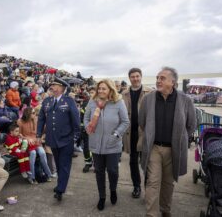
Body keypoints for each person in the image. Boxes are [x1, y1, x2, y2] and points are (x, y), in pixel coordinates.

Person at [139, 67, 196, 217]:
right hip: (154, 148)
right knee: (152, 181)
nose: (158, 81)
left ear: (173, 82)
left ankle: (165, 210)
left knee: (168, 183)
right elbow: (142, 122)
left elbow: (191, 125)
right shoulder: (148, 99)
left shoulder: (185, 100)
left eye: (162, 78)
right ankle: (151, 213)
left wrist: (180, 138)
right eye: (158, 77)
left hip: (173, 150)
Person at [84, 79, 130, 211]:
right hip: (96, 143)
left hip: (113, 145)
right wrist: (88, 128)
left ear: (110, 89)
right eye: (99, 88)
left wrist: (116, 135)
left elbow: (125, 122)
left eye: (104, 88)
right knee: (99, 171)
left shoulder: (118, 102)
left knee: (112, 170)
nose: (100, 91)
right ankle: (102, 197)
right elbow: (86, 118)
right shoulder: (92, 102)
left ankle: (113, 190)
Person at [36, 77, 81, 201]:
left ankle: (60, 189)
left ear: (62, 88)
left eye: (56, 85)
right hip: (52, 139)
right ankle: (60, 184)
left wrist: (76, 136)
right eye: (52, 85)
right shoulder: (47, 101)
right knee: (59, 164)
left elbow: (76, 119)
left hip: (66, 139)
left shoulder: (69, 101)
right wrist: (38, 135)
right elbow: (41, 119)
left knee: (64, 165)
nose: (53, 87)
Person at [122, 68, 152, 199]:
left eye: (137, 76)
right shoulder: (124, 93)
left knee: (146, 162)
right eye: (132, 77)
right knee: (133, 161)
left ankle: (149, 188)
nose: (135, 79)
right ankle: (136, 186)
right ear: (129, 78)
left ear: (141, 77)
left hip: (145, 133)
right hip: (130, 133)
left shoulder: (150, 92)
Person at [17, 107, 54, 182]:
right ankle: (31, 177)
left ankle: (48, 174)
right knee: (33, 154)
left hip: (37, 142)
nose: (35, 114)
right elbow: (18, 134)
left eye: (35, 113)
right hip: (27, 144)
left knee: (42, 153)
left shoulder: (37, 119)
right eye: (33, 113)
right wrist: (26, 138)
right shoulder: (20, 121)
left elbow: (45, 131)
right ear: (28, 114)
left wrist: (41, 137)